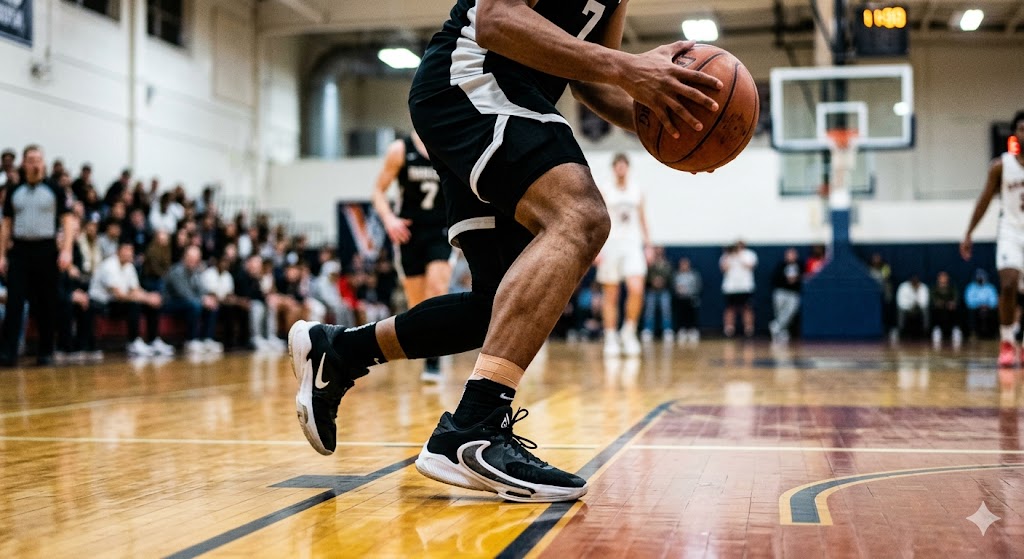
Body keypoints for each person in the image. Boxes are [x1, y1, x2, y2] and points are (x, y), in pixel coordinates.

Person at [287, 0, 722, 503]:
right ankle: (474, 427)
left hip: (505, 98)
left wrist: (668, 123)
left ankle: (339, 351)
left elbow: (592, 78)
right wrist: (630, 67)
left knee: (495, 310)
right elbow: (495, 19)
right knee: (581, 216)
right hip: (471, 78)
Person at [371, 132, 452, 381]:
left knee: (437, 290)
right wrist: (389, 219)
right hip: (409, 233)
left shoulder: (448, 143)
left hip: (441, 230)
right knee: (416, 304)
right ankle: (427, 349)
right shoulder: (400, 150)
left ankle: (434, 360)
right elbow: (378, 191)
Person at [0, 145, 77, 366]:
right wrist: (2, 255)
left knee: (47, 302)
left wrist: (67, 250)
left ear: (43, 163)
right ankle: (9, 352)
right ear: (23, 163)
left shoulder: (55, 189)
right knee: (14, 302)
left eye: (38, 159)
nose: (35, 163)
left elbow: (68, 220)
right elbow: (6, 224)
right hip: (19, 251)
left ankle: (46, 351)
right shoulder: (14, 191)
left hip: (47, 250)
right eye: (30, 159)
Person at [962, 111, 1024, 366]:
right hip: (1010, 230)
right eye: (1021, 128)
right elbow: (985, 200)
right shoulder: (1001, 166)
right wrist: (969, 232)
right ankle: (1007, 341)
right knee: (1008, 284)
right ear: (1014, 134)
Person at [597, 153, 651, 356]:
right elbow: (598, 220)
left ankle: (628, 332)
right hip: (610, 244)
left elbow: (643, 219)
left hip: (632, 245)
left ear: (628, 168)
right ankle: (610, 336)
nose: (621, 169)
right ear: (614, 168)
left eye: (623, 166)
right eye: (617, 166)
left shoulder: (637, 190)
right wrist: (597, 248)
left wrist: (648, 245)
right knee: (611, 294)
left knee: (636, 288)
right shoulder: (605, 190)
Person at [89, 242, 172, 356]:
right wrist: (145, 299)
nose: (129, 253)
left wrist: (149, 297)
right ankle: (133, 343)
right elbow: (118, 295)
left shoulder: (129, 266)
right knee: (134, 304)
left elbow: (135, 289)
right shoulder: (109, 266)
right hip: (101, 304)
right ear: (118, 251)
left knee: (151, 304)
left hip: (118, 302)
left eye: (131, 250)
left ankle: (153, 340)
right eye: (126, 249)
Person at [164, 246, 221, 354]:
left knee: (211, 304)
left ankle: (207, 339)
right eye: (191, 258)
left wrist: (208, 297)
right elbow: (183, 293)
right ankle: (191, 340)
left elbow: (201, 289)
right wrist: (202, 300)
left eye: (196, 260)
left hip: (189, 302)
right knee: (195, 305)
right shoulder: (176, 271)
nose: (193, 262)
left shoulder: (196, 271)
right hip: (172, 302)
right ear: (184, 257)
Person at [721, 241, 758, 337]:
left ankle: (749, 329)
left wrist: (739, 256)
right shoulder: (727, 255)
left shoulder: (749, 254)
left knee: (747, 308)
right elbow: (723, 268)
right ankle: (729, 329)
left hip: (745, 287)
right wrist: (728, 255)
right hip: (730, 287)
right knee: (730, 308)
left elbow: (750, 266)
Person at [769, 248, 803, 343]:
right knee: (779, 312)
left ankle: (776, 326)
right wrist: (786, 279)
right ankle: (782, 331)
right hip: (781, 292)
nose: (791, 256)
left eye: (793, 254)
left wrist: (795, 280)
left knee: (791, 311)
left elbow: (803, 277)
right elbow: (775, 278)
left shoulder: (799, 266)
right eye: (789, 254)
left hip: (793, 293)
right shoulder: (781, 265)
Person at [641, 246, 673, 343]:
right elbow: (645, 276)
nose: (659, 251)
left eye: (660, 249)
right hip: (651, 290)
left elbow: (670, 276)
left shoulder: (667, 263)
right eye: (657, 249)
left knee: (666, 311)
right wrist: (653, 281)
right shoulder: (649, 264)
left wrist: (663, 281)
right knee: (649, 311)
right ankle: (648, 330)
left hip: (664, 290)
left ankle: (667, 330)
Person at [930, 271, 963, 348]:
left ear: (948, 279)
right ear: (938, 279)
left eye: (944, 277)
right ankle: (937, 330)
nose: (943, 279)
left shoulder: (952, 287)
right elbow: (933, 298)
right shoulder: (934, 288)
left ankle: (956, 330)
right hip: (939, 308)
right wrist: (937, 302)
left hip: (950, 308)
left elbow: (955, 296)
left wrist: (953, 302)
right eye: (941, 277)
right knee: (935, 309)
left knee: (957, 309)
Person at [673, 257, 701, 343]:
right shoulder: (676, 275)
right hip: (680, 299)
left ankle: (692, 330)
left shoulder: (694, 275)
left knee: (691, 314)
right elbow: (674, 286)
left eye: (686, 264)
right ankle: (682, 330)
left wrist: (689, 291)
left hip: (691, 298)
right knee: (681, 313)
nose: (684, 266)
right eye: (682, 264)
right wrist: (678, 290)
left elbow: (698, 286)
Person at [965, 269, 999, 339]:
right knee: (971, 313)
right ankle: (973, 333)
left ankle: (993, 334)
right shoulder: (971, 287)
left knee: (994, 313)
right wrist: (979, 305)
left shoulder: (990, 287)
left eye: (982, 277)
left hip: (988, 308)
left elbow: (994, 300)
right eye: (979, 277)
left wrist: (987, 305)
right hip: (975, 308)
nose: (980, 278)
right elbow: (969, 301)